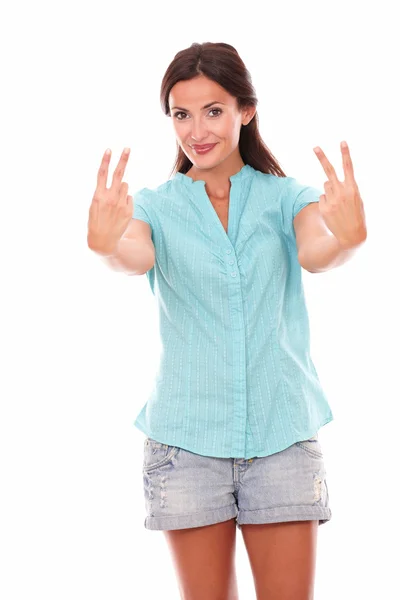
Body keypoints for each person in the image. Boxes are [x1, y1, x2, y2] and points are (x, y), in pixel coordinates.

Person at [87, 42, 367, 600]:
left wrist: (349, 240)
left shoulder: (288, 198)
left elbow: (317, 252)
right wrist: (105, 247)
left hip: (281, 438)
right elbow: (133, 256)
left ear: (246, 110)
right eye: (180, 114)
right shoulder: (152, 207)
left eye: (213, 110)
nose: (197, 130)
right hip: (185, 445)